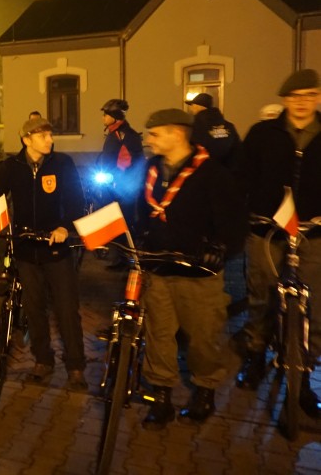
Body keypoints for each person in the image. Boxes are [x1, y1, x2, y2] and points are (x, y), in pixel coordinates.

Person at [136, 109, 247, 430]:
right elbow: (139, 208)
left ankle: (205, 390)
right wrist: (139, 236)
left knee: (203, 336)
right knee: (159, 335)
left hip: (197, 273)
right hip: (159, 267)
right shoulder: (151, 168)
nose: (148, 139)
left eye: (155, 133)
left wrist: (220, 249)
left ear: (177, 133)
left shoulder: (212, 173)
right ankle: (161, 395)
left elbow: (234, 221)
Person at [0, 117, 88, 391]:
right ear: (26, 139)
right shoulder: (12, 166)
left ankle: (76, 366)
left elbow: (76, 200)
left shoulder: (62, 163)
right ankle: (43, 361)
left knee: (67, 310)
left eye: (50, 135)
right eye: (43, 136)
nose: (50, 140)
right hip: (26, 249)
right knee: (34, 309)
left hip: (56, 250)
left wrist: (64, 227)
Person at [235, 69, 321, 417]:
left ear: (317, 98)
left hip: (314, 233)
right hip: (267, 230)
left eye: (309, 95)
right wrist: (245, 213)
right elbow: (241, 177)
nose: (301, 102)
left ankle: (304, 375)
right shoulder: (262, 133)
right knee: (261, 295)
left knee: (314, 305)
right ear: (285, 99)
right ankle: (256, 355)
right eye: (294, 96)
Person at [96, 99, 146, 269]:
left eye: (106, 115)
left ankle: (125, 260)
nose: (103, 118)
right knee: (116, 220)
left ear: (115, 116)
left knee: (123, 222)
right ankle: (119, 257)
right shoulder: (116, 133)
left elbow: (131, 161)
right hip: (114, 186)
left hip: (121, 188)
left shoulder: (125, 135)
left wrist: (118, 180)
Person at [185, 93, 242, 170]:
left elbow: (190, 149)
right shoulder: (229, 126)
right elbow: (238, 151)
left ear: (198, 106)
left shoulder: (196, 126)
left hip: (203, 171)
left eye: (192, 105)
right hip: (226, 171)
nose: (191, 108)